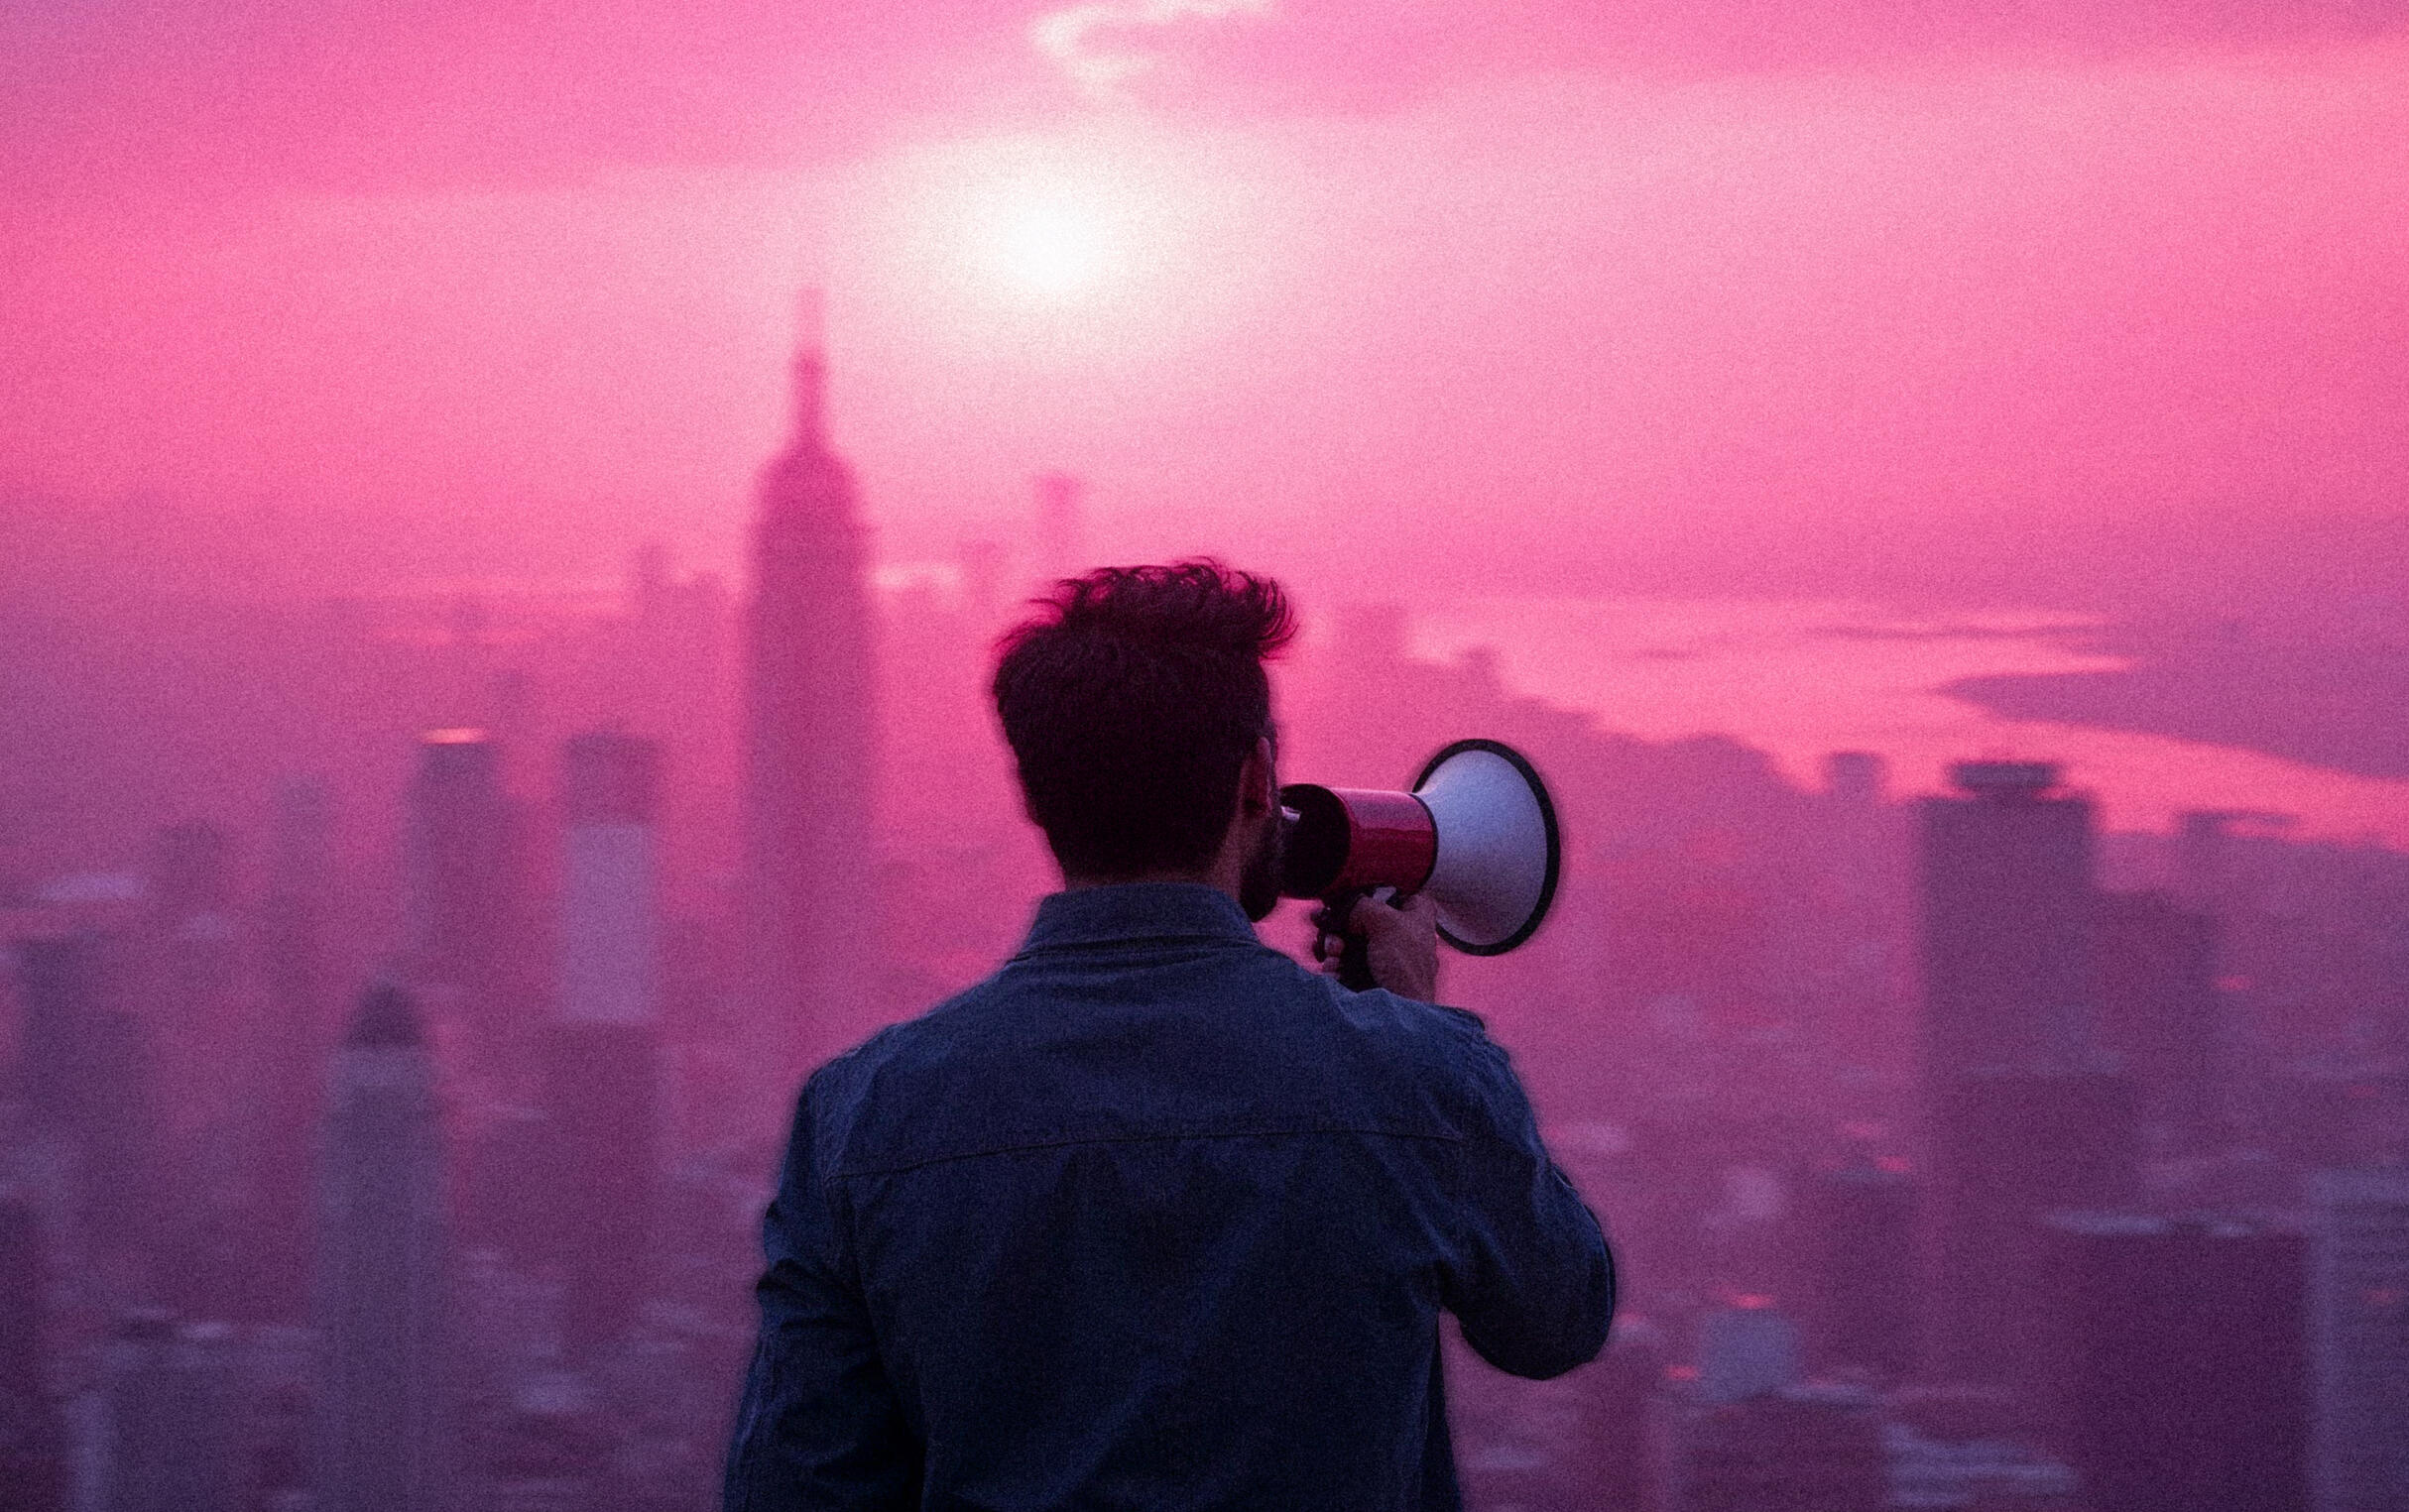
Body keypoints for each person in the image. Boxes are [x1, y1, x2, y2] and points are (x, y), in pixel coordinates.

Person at [724, 561, 1614, 1511]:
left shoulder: (858, 1119)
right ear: (1255, 780)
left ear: (1035, 795)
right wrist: (1418, 1029)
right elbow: (1557, 1316)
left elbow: (794, 1485)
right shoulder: (1420, 1080)